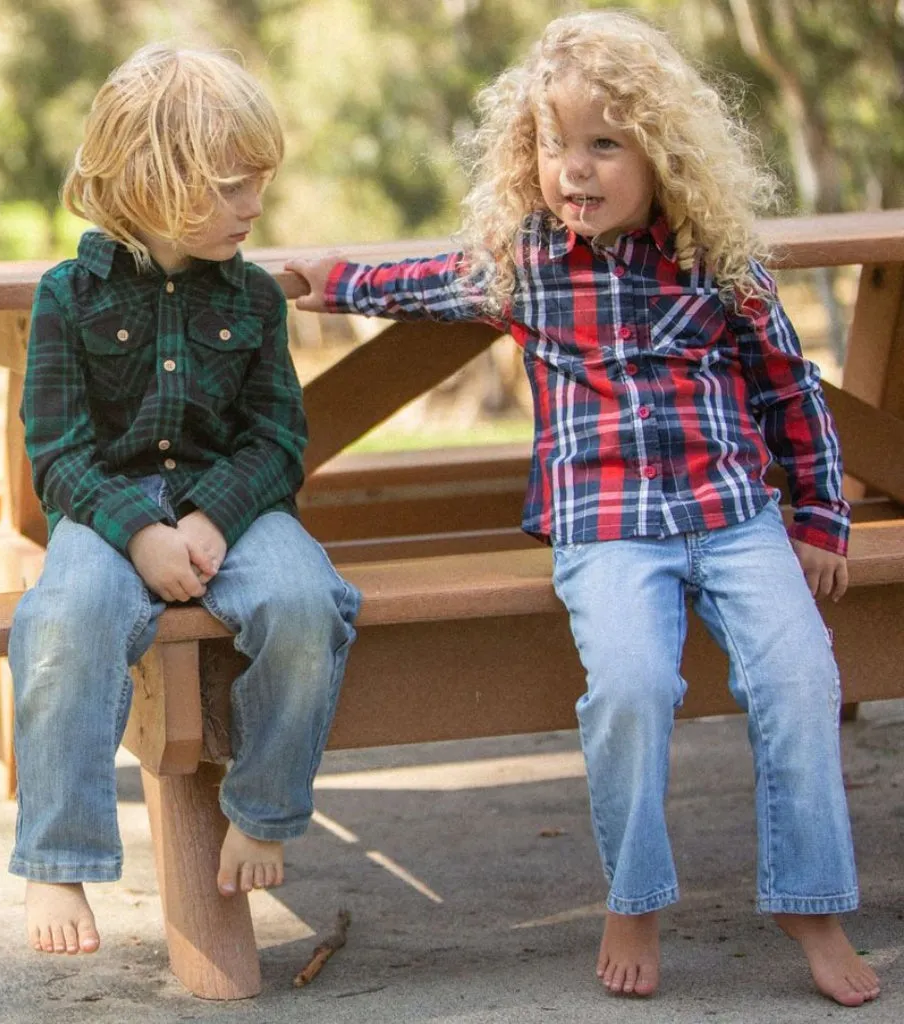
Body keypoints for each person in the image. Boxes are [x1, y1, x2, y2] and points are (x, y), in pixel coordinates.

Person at [286, 9, 879, 1007]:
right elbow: (422, 280)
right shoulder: (528, 264)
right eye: (556, 145)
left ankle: (809, 902)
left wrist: (819, 517)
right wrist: (325, 279)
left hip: (733, 514)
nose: (577, 168)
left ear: (661, 153)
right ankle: (632, 893)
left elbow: (790, 389)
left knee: (801, 679)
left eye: (603, 144)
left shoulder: (720, 263)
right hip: (604, 526)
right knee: (632, 687)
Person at [9, 43, 360, 958]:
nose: (253, 207)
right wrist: (140, 537)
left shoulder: (251, 298)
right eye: (230, 187)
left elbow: (279, 437)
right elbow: (57, 453)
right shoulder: (66, 297)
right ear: (149, 184)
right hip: (107, 512)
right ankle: (60, 860)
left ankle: (265, 808)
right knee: (65, 615)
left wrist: (207, 520)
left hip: (233, 507)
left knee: (304, 601)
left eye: (258, 185)